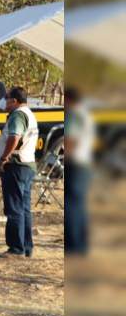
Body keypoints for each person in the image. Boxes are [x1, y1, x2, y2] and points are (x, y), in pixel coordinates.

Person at [0, 87, 39, 258]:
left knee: (14, 208)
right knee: (24, 208)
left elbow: (14, 137)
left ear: (14, 100)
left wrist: (4, 157)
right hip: (27, 165)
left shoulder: (18, 115)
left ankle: (16, 248)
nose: (4, 102)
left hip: (15, 165)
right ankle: (26, 246)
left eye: (6, 98)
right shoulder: (29, 113)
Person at [64, 87, 94, 256]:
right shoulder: (85, 113)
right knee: (80, 206)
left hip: (75, 165)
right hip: (84, 165)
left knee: (72, 207)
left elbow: (70, 140)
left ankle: (74, 247)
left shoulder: (74, 115)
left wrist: (65, 157)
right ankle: (81, 246)